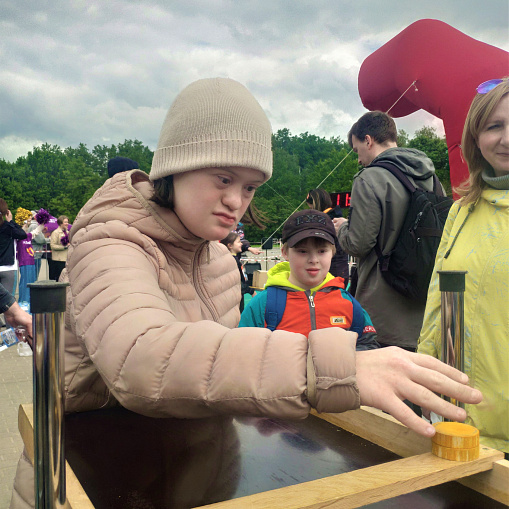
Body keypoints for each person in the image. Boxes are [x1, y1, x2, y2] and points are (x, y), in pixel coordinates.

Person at [10, 77, 483, 508]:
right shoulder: (111, 241)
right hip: (84, 480)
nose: (236, 201)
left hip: (191, 480)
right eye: (222, 178)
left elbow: (210, 375)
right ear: (175, 166)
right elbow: (142, 359)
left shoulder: (216, 258)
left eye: (251, 186)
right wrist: (340, 366)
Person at [418, 78, 509, 455]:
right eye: (495, 126)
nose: (506, 138)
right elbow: (440, 304)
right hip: (459, 420)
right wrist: (426, 378)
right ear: (476, 137)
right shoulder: (461, 209)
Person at [335, 111, 444, 351]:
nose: (358, 159)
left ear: (368, 140)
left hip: (382, 314)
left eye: (356, 150)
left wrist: (342, 228)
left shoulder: (369, 178)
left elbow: (358, 244)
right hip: (427, 311)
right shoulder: (433, 179)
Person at [239, 210, 379, 351]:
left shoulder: (348, 303)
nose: (313, 260)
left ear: (333, 252)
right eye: (302, 251)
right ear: (285, 252)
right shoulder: (262, 305)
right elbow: (243, 353)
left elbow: (367, 345)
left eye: (322, 251)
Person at [306, 189, 349, 285]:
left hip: (331, 272)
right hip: (342, 268)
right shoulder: (337, 218)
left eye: (311, 207)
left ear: (315, 203)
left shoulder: (326, 222)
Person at [220, 232, 255, 312]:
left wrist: (250, 249)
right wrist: (251, 291)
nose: (241, 244)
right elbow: (236, 282)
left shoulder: (232, 258)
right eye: (239, 242)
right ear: (230, 245)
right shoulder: (232, 261)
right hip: (234, 296)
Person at [0, 200, 27, 296]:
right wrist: (11, 221)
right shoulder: (8, 227)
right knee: (8, 303)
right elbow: (23, 234)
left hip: (7, 267)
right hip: (8, 268)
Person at [17, 220, 44, 304]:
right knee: (25, 282)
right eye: (23, 227)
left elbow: (36, 231)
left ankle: (30, 300)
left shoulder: (28, 236)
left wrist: (43, 223)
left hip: (32, 262)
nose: (25, 228)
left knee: (31, 281)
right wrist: (23, 223)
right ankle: (23, 300)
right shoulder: (17, 238)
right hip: (24, 263)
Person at [27, 212, 49, 277]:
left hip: (34, 253)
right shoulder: (34, 226)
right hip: (35, 255)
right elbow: (40, 240)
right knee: (34, 276)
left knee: (32, 276)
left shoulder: (33, 225)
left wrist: (42, 231)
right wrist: (51, 240)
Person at [48, 215, 69, 281]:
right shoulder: (55, 233)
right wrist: (64, 247)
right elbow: (53, 246)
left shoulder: (68, 232)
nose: (67, 224)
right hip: (58, 260)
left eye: (67, 222)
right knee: (59, 278)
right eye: (65, 222)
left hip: (66, 259)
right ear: (60, 223)